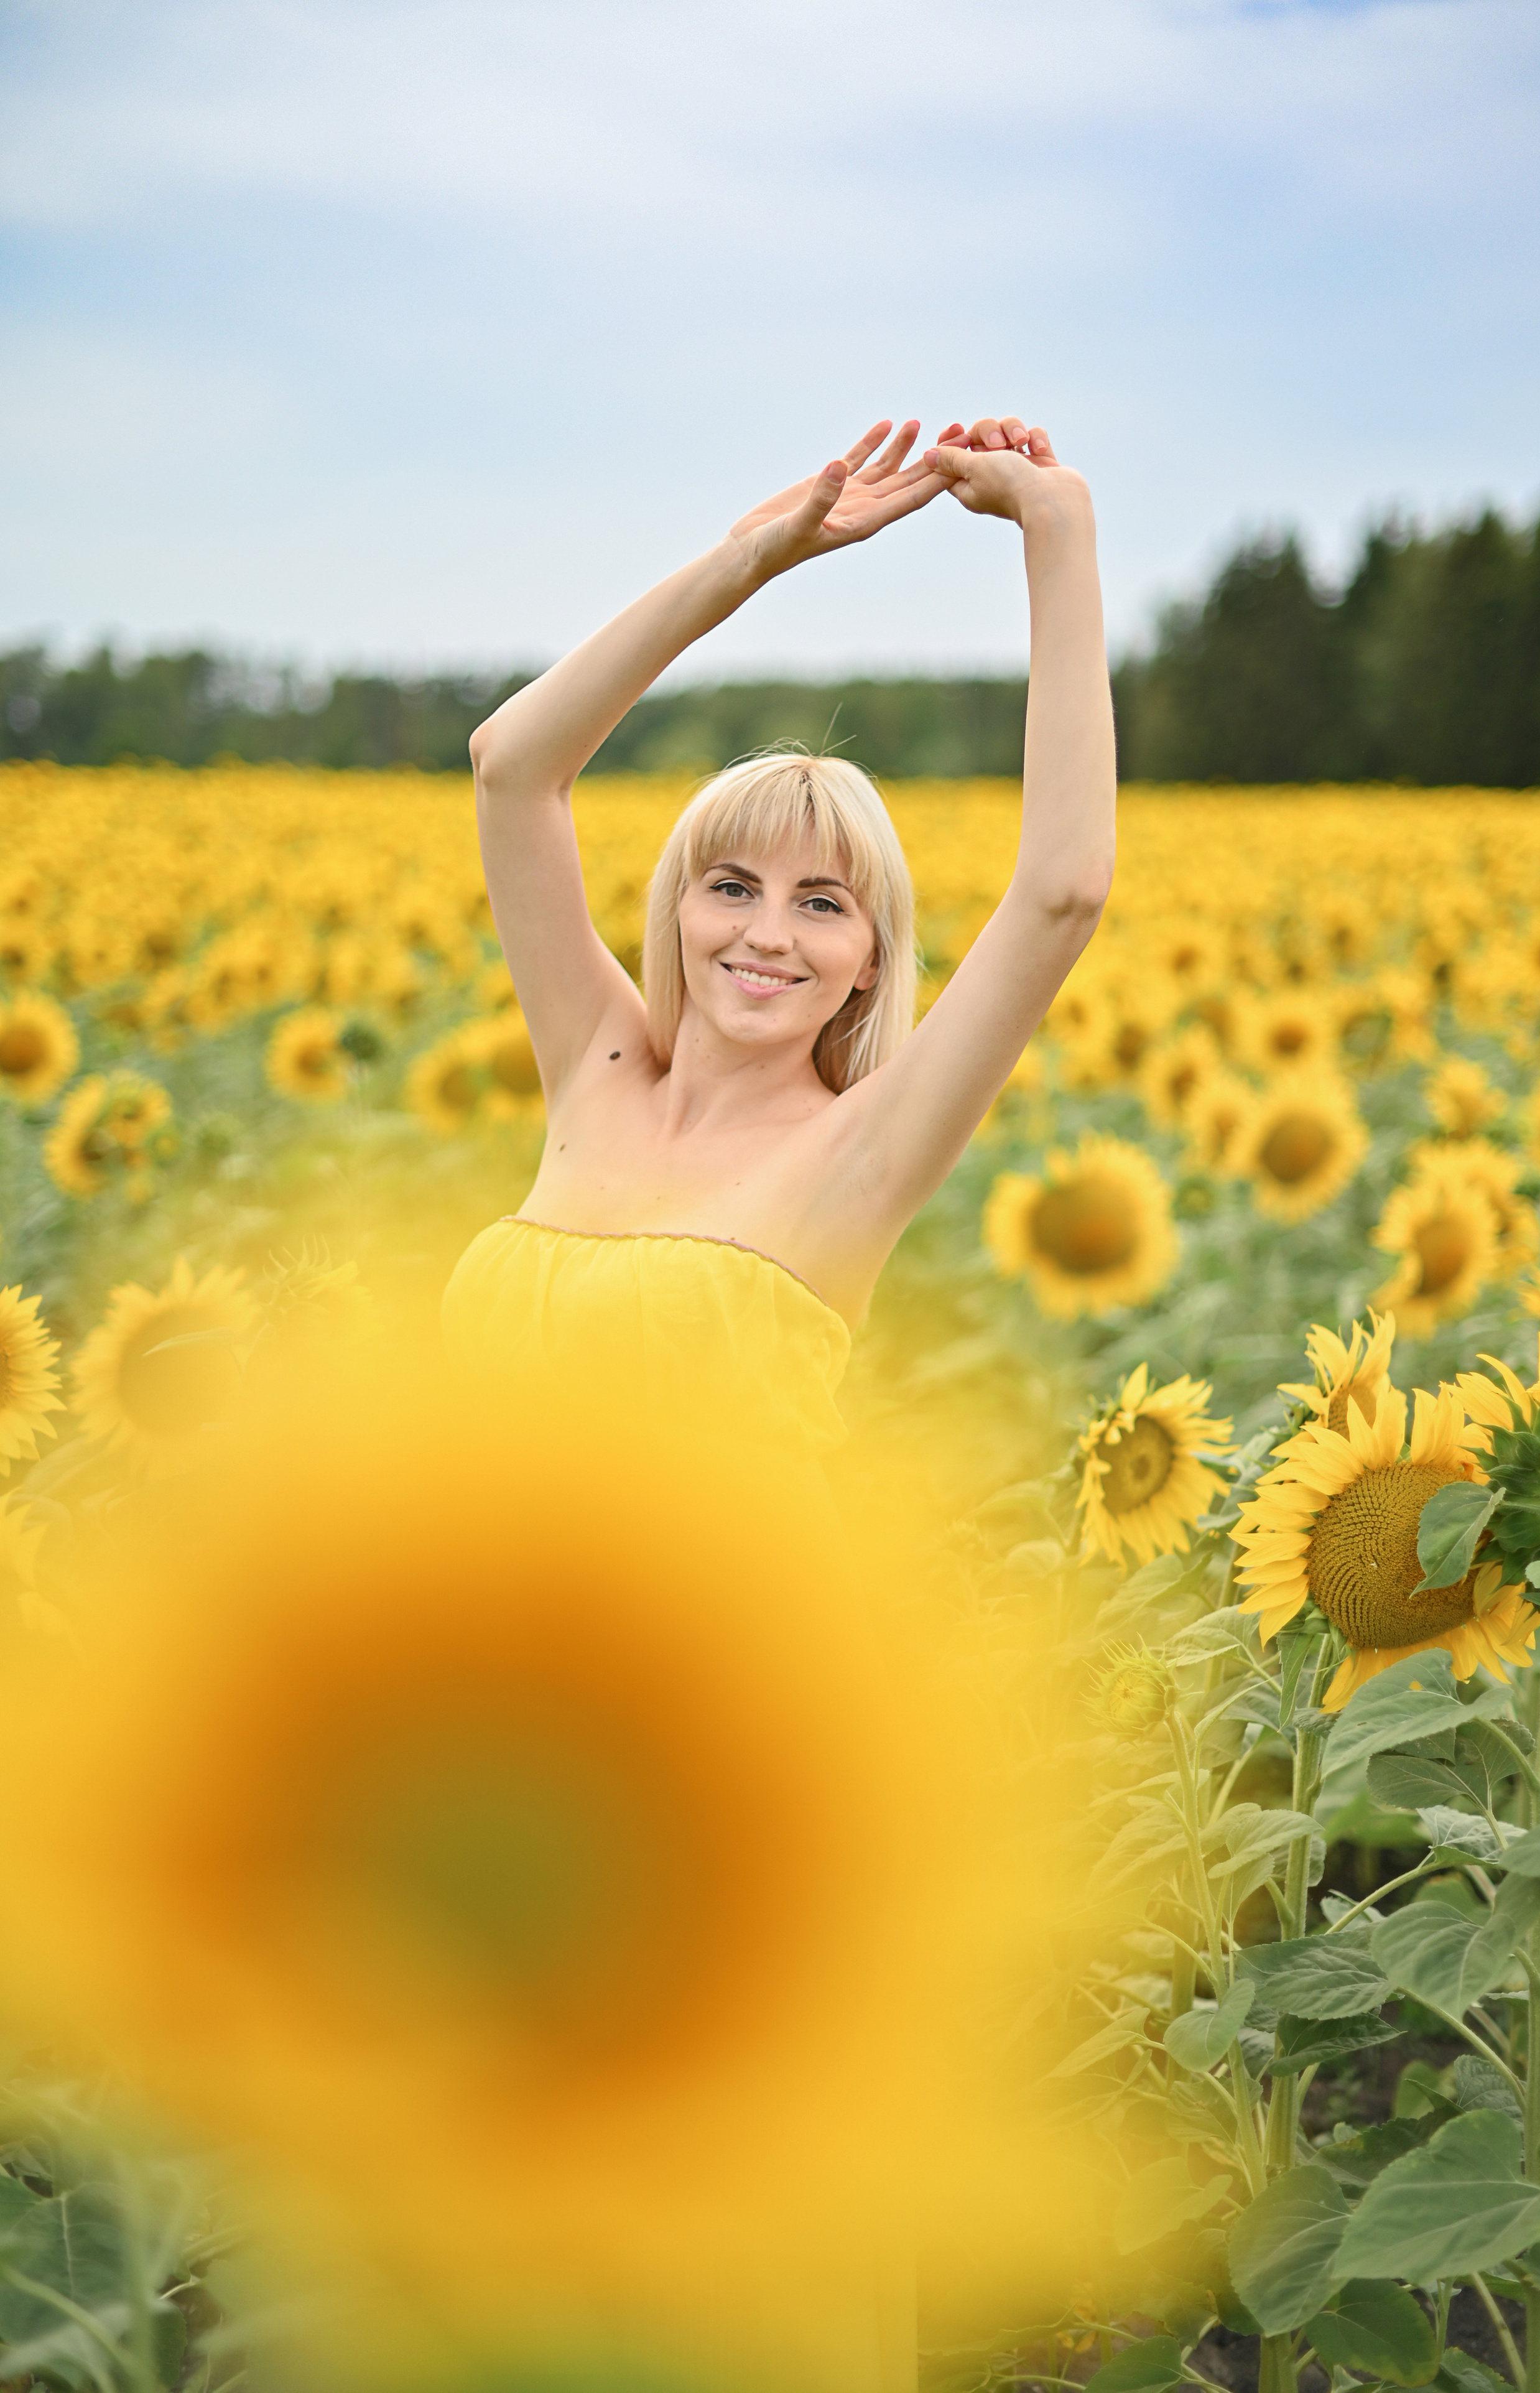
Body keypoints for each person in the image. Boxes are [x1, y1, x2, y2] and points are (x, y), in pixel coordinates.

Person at [440, 412, 1115, 2393]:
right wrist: (757, 562)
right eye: (729, 880)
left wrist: (1052, 541)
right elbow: (510, 764)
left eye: (824, 907)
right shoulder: (596, 1080)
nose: (762, 929)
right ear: (675, 904)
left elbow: (1062, 894)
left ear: (868, 966)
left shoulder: (855, 1158)